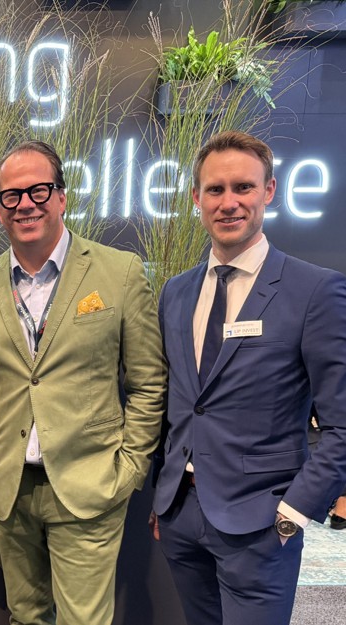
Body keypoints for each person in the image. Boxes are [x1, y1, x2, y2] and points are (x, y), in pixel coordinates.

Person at [0, 140, 166, 625]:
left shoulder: (119, 273)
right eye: (11, 195)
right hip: (8, 487)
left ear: (62, 197)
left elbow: (149, 383)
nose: (25, 204)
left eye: (39, 190)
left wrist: (129, 467)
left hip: (89, 483)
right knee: (25, 617)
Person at [151, 130, 346, 625]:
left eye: (243, 187)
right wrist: (163, 496)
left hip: (262, 525)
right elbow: (181, 403)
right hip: (181, 516)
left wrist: (295, 512)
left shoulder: (314, 291)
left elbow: (342, 424)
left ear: (269, 191)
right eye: (215, 189)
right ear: (196, 198)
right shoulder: (176, 292)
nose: (229, 202)